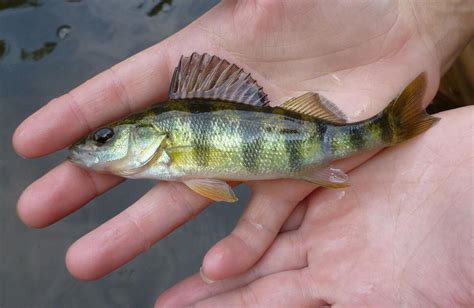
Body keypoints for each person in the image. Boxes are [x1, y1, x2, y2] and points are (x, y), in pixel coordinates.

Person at [13, 1, 473, 306]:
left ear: (143, 134)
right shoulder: (169, 147)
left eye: (105, 139)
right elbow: (209, 184)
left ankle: (392, 126)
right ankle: (396, 125)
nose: (95, 148)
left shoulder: (171, 141)